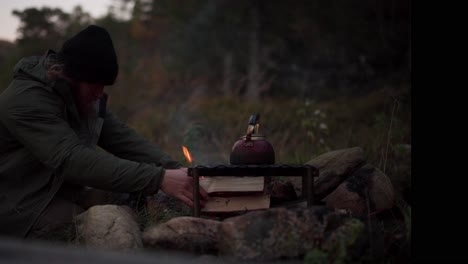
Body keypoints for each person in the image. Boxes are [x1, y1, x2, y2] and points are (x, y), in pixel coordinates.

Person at [0, 25, 208, 240]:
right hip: (17, 205)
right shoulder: (26, 101)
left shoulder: (80, 96)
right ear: (71, 77)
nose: (100, 94)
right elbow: (72, 160)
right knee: (90, 230)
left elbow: (123, 139)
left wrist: (176, 170)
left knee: (131, 197)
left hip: (59, 191)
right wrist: (159, 178)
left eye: (104, 85)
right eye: (96, 85)